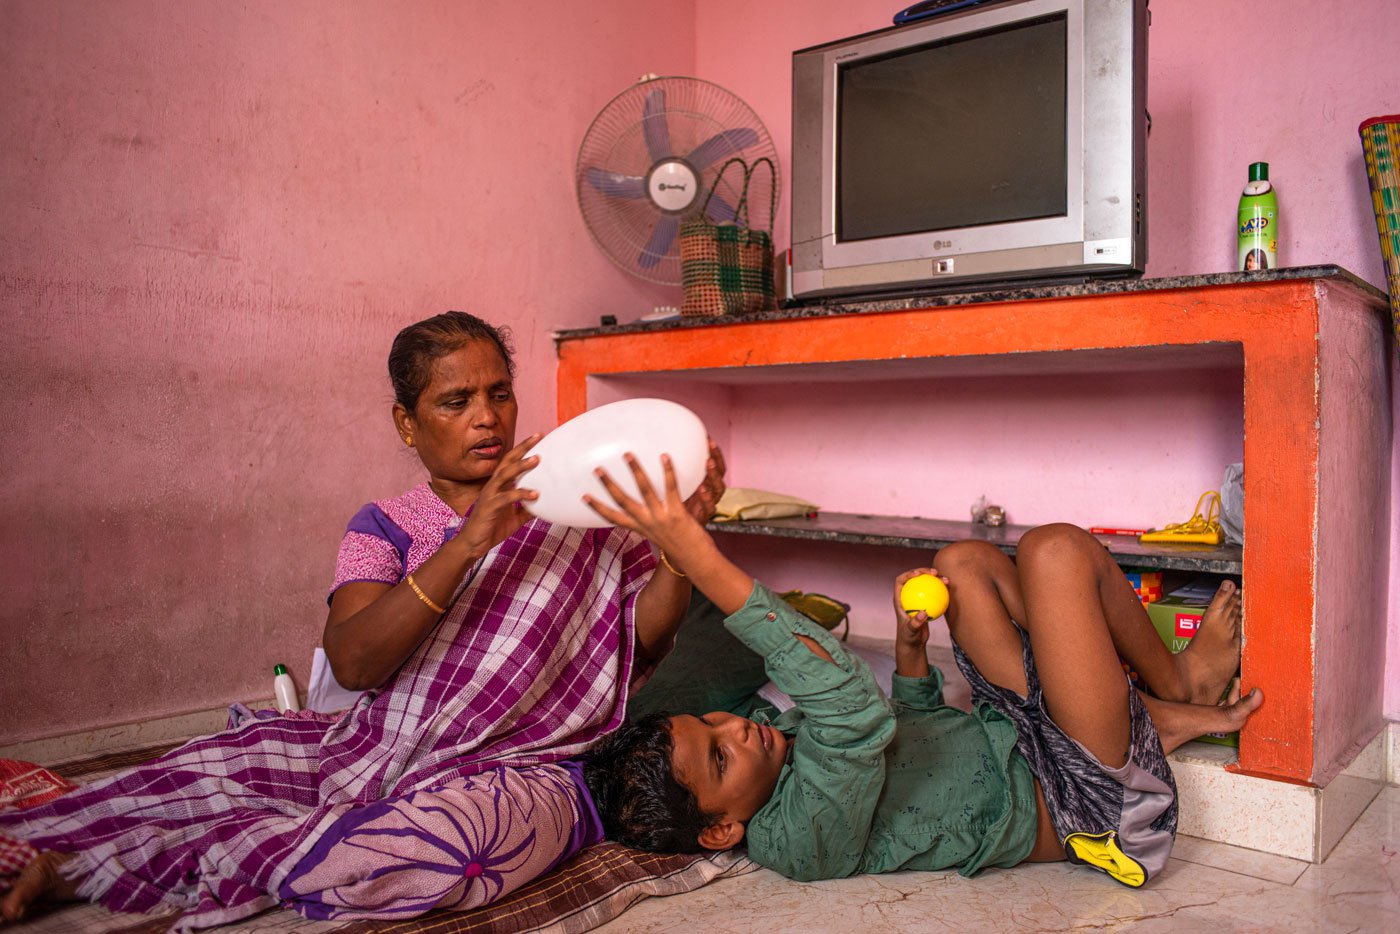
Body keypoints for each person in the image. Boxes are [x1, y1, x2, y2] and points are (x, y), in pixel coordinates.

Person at [0, 311, 725, 927]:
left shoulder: (574, 508)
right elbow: (352, 662)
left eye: (499, 393)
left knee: (457, 846)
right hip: (374, 743)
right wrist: (474, 540)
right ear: (406, 424)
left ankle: (229, 854)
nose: (486, 416)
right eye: (456, 401)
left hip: (510, 764)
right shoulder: (386, 525)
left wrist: (678, 543)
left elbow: (640, 639)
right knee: (189, 775)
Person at [581, 454, 1262, 886]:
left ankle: (1161, 704)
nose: (735, 727)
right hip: (1083, 802)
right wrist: (701, 559)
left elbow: (900, 736)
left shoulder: (769, 747)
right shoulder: (798, 840)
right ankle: (1171, 688)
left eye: (711, 722)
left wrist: (911, 655)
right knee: (1056, 552)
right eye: (719, 757)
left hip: (1022, 737)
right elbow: (850, 709)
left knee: (964, 564)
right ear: (721, 830)